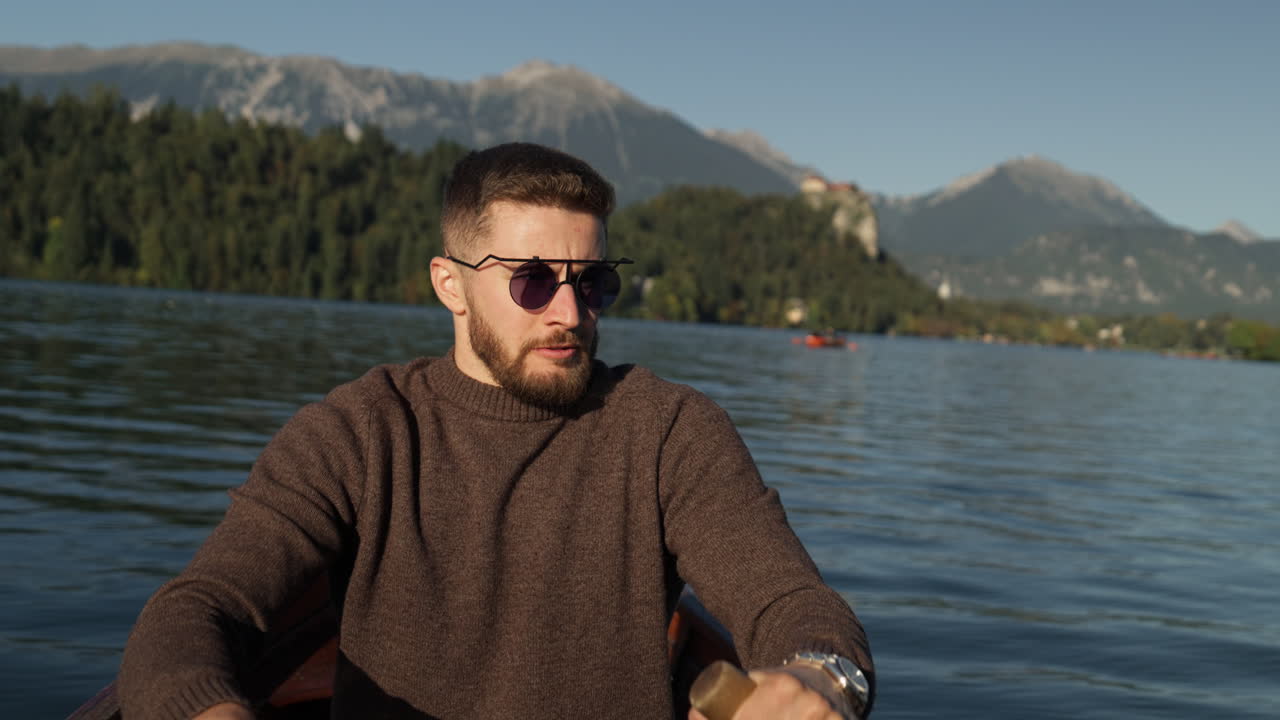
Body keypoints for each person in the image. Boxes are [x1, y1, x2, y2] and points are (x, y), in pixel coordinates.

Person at [118, 142, 875, 719]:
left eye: (594, 283)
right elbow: (195, 612)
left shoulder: (669, 432)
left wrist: (816, 678)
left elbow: (799, 608)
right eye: (534, 281)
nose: (570, 313)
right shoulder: (359, 435)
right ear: (451, 285)